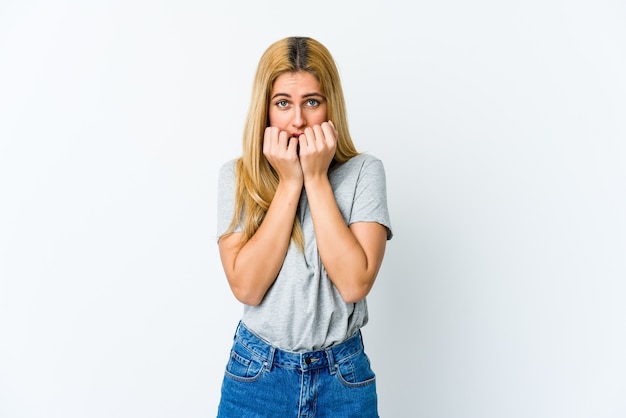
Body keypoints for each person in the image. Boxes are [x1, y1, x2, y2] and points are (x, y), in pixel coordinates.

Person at [216, 36, 393, 418]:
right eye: (283, 103)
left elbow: (354, 282)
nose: (298, 120)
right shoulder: (239, 176)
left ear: (330, 105)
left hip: (342, 378)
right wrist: (290, 182)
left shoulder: (364, 172)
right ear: (265, 109)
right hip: (256, 374)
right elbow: (246, 286)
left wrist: (314, 178)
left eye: (312, 102)